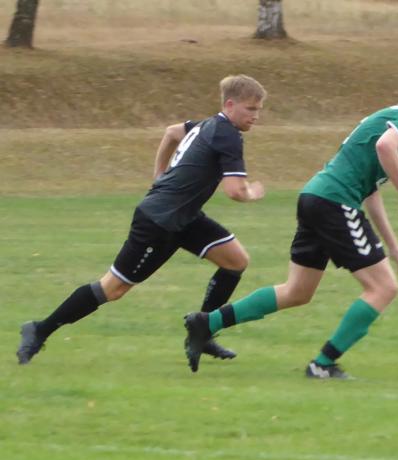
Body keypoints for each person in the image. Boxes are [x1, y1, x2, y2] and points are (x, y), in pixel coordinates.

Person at [183, 61, 398, 378]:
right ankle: (323, 364)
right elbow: (385, 146)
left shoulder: (392, 115)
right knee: (383, 288)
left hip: (316, 197)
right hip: (334, 202)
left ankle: (206, 323)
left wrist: (394, 247)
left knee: (297, 291)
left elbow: (369, 191)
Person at [16, 74, 267, 364]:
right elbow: (235, 191)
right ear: (230, 104)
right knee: (113, 288)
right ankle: (39, 329)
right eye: (250, 109)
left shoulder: (206, 125)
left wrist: (159, 174)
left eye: (259, 109)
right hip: (158, 223)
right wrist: (252, 193)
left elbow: (171, 133)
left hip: (184, 218)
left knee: (235, 261)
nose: (256, 116)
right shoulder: (226, 135)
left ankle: (202, 331)